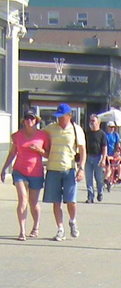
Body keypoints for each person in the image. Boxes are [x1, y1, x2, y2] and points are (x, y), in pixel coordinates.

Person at [41, 103, 85, 241]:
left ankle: (72, 221)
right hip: (53, 169)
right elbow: (38, 137)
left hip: (69, 169)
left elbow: (83, 151)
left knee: (71, 201)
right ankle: (60, 229)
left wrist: (81, 168)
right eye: (58, 117)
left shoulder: (76, 130)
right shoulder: (50, 129)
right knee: (56, 201)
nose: (59, 119)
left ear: (69, 116)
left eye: (62, 117)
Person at [1, 109, 47, 239]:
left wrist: (39, 150)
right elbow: (12, 153)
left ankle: (36, 227)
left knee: (33, 202)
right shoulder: (17, 136)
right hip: (19, 171)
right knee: (22, 200)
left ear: (36, 120)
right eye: (27, 118)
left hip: (36, 172)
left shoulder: (42, 136)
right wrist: (4, 168)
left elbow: (48, 154)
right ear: (23, 121)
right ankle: (22, 230)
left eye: (32, 118)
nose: (29, 121)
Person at [83, 114, 107, 204]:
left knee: (99, 178)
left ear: (98, 122)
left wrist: (103, 159)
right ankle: (90, 196)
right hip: (88, 157)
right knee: (89, 178)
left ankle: (100, 192)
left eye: (93, 121)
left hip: (98, 157)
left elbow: (104, 147)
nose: (91, 123)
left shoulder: (102, 134)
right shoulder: (87, 133)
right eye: (91, 121)